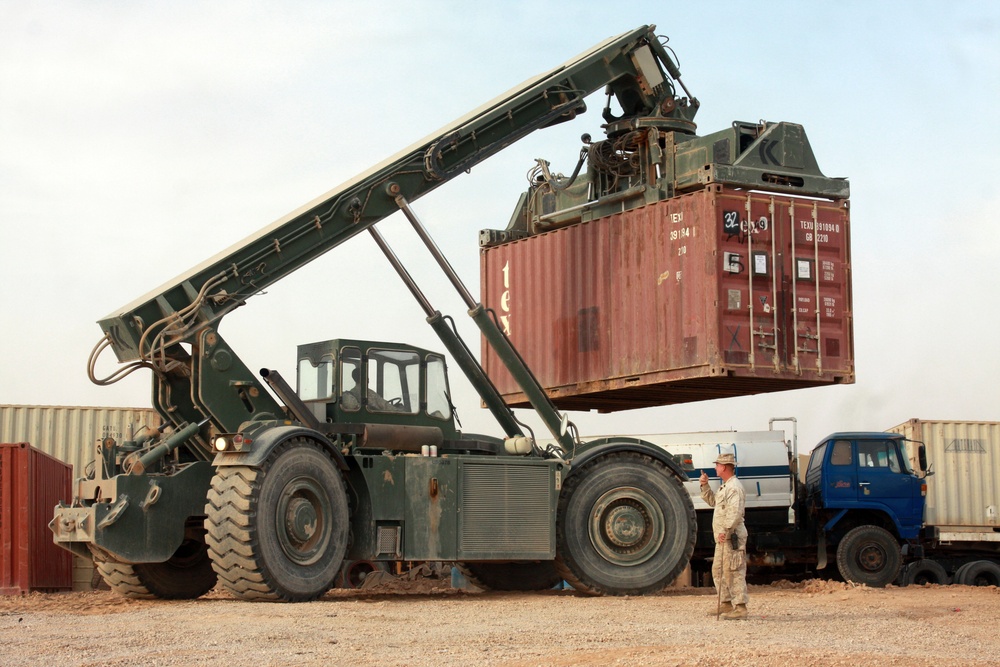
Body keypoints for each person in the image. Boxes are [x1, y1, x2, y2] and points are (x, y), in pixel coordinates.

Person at [699, 452, 749, 620]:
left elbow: (734, 513)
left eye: (718, 465)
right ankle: (726, 603)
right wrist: (705, 486)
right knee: (719, 570)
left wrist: (726, 531)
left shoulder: (734, 487)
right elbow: (714, 502)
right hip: (723, 538)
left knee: (734, 570)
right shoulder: (725, 487)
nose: (715, 467)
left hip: (731, 536)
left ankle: (740, 607)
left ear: (725, 467)